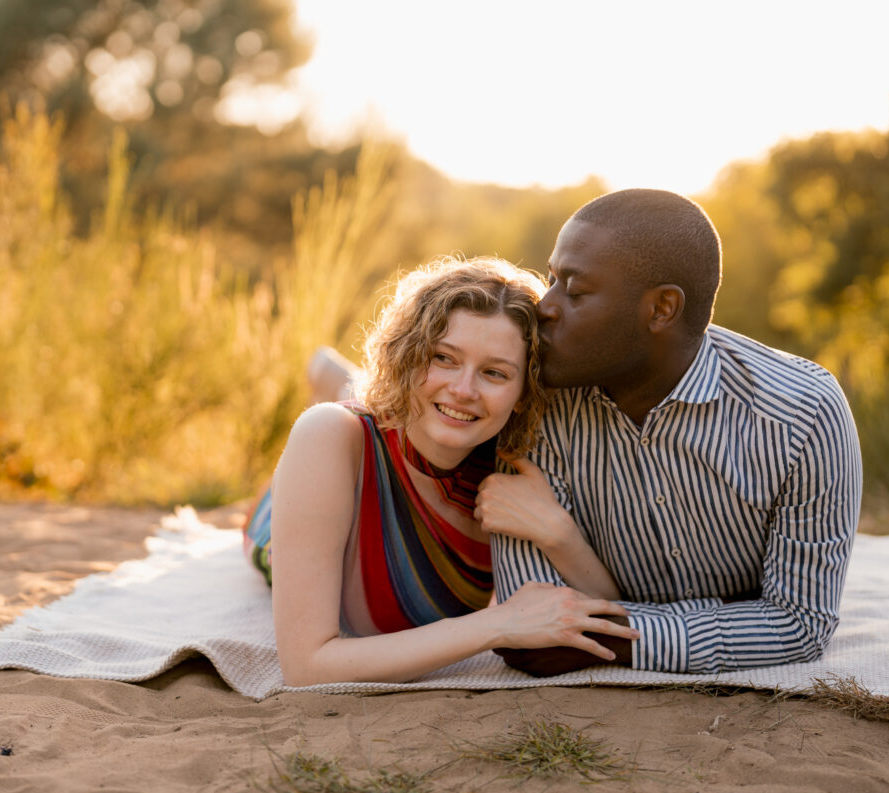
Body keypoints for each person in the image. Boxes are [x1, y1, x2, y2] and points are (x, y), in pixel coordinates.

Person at [477, 189, 863, 676]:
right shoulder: (536, 402)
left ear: (661, 309)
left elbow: (798, 624)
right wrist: (739, 620)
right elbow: (531, 626)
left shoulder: (802, 413)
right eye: (551, 280)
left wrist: (613, 637)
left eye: (574, 292)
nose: (544, 307)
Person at [243, 255, 640, 686]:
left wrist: (557, 532)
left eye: (494, 372)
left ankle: (341, 376)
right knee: (342, 413)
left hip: (418, 423)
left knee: (423, 404)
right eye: (443, 357)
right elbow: (307, 668)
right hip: (308, 486)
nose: (465, 389)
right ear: (408, 353)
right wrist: (499, 624)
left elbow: (612, 611)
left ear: (524, 393)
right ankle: (331, 375)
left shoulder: (520, 463)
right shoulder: (329, 436)